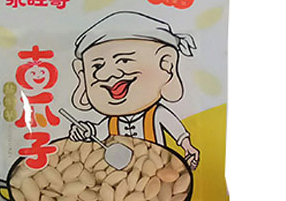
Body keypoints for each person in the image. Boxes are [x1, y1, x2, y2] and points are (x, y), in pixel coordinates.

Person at [69, 11, 200, 169]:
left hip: (156, 169)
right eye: (97, 66)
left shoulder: (156, 114)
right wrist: (85, 131)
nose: (104, 75)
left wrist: (188, 147)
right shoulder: (112, 122)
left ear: (166, 64)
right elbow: (96, 132)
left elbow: (177, 131)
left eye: (124, 60)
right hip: (118, 174)